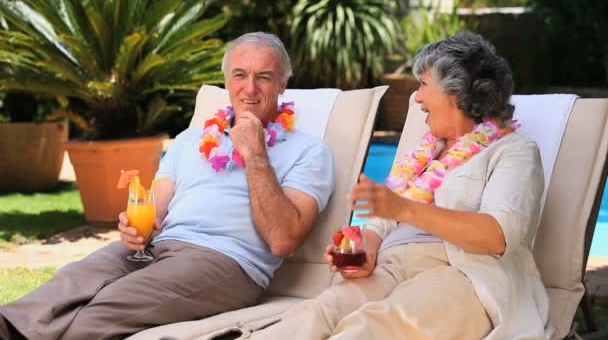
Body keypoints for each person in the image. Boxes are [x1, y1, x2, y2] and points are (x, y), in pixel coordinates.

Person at [0, 32, 335, 340]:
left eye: (263, 77)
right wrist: (134, 228)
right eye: (239, 75)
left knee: (102, 311)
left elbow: (283, 239)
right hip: (156, 248)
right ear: (226, 81)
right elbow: (155, 210)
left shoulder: (309, 150)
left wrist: (255, 154)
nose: (250, 89)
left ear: (282, 85)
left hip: (226, 262)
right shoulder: (190, 140)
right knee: (65, 287)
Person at [248, 31, 551, 339]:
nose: (417, 98)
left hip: (460, 273)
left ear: (455, 92)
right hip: (390, 269)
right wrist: (362, 253)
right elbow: (379, 224)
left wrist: (406, 209)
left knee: (373, 326)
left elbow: (497, 236)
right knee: (315, 313)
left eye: (423, 84)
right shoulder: (423, 154)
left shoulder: (513, 151)